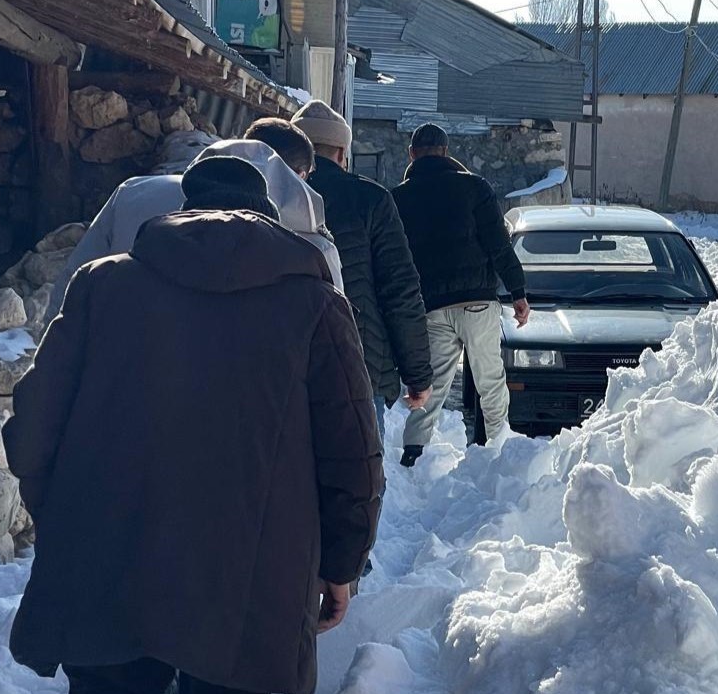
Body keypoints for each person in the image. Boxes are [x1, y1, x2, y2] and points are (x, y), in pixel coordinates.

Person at [3, 157, 384, 694]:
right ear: (268, 217)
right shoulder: (314, 303)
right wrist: (341, 564)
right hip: (251, 572)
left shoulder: (102, 286)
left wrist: (62, 517)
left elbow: (31, 428)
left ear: (177, 210)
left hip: (110, 555)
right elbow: (353, 452)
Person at [44, 127, 342, 323]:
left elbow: (69, 296)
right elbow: (337, 353)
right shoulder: (313, 244)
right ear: (299, 175)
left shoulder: (136, 196)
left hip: (127, 389)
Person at [392, 123, 530, 467]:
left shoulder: (398, 198)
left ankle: (413, 454)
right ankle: (499, 453)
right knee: (490, 381)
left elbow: (393, 258)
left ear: (411, 154)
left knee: (433, 384)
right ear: (446, 150)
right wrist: (518, 291)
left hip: (430, 307)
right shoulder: (474, 188)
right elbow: (498, 244)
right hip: (477, 302)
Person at [293, 100, 433, 431]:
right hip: (357, 367)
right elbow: (400, 290)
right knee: (361, 475)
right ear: (342, 153)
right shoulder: (370, 200)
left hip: (283, 368)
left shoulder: (265, 196)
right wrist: (417, 374)